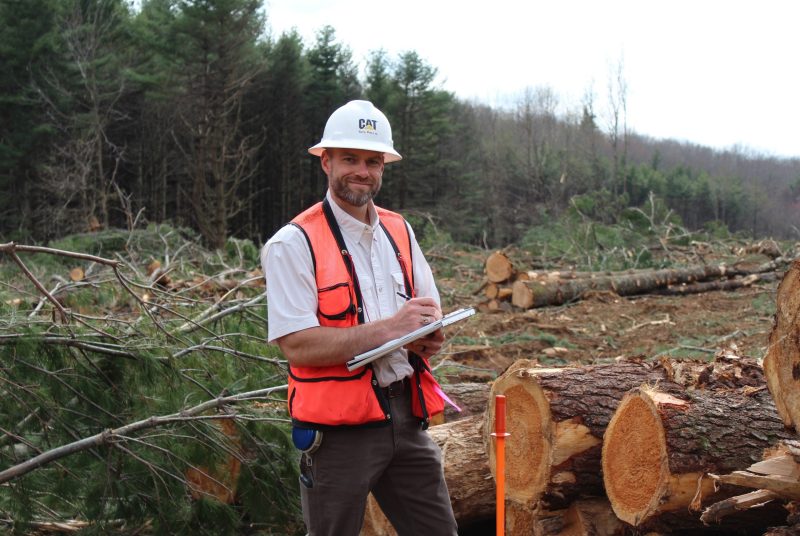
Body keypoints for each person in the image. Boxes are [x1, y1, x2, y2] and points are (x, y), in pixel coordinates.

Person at [261, 100, 458, 536]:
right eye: (350, 158)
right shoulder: (293, 244)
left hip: (407, 419)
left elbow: (426, 312)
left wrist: (428, 335)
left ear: (384, 166)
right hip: (337, 436)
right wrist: (392, 329)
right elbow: (297, 345)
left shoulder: (400, 230)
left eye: (372, 161)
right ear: (326, 162)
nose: (362, 171)